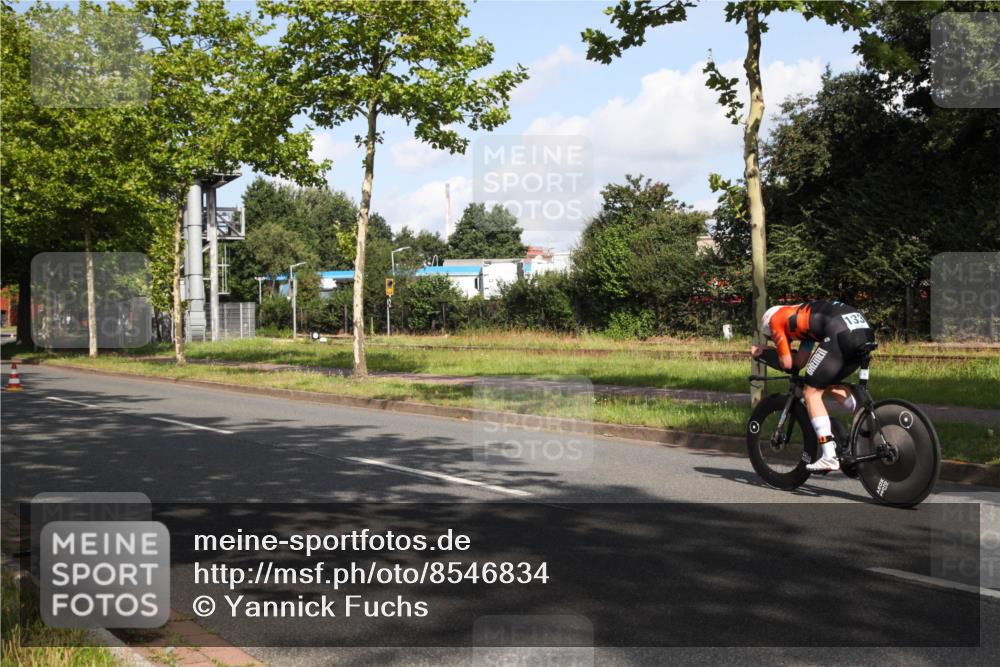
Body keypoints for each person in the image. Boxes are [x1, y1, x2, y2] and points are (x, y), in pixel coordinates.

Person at [751, 300, 876, 472]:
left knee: (811, 392)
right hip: (862, 331)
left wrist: (763, 353)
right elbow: (800, 362)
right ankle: (863, 416)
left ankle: (828, 455)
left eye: (774, 339)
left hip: (839, 332)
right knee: (823, 381)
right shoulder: (803, 321)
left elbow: (787, 364)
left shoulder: (775, 320)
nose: (784, 341)